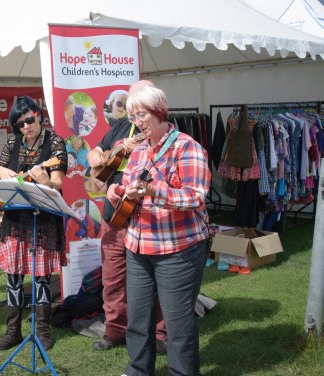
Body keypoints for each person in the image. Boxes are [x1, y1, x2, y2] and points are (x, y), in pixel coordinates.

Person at [109, 81, 210, 376]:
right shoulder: (139, 150)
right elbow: (129, 186)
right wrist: (118, 192)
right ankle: (138, 371)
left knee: (178, 325)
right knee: (138, 321)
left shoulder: (187, 147)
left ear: (159, 112)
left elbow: (195, 196)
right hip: (138, 247)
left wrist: (155, 192)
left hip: (177, 249)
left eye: (142, 115)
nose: (137, 123)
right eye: (132, 117)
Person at [87, 81, 167, 354]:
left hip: (145, 218)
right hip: (113, 217)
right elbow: (95, 152)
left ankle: (160, 333)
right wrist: (96, 155)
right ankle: (115, 330)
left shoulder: (166, 134)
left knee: (155, 279)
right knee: (112, 276)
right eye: (132, 106)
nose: (136, 116)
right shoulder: (122, 127)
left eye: (141, 108)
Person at [0, 96, 68, 352]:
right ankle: (12, 331)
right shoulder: (13, 142)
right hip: (15, 217)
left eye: (29, 120)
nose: (25, 127)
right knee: (13, 276)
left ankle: (43, 330)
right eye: (19, 124)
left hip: (42, 219)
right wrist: (3, 173)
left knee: (41, 277)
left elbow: (57, 183)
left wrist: (45, 180)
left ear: (38, 114)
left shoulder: (55, 142)